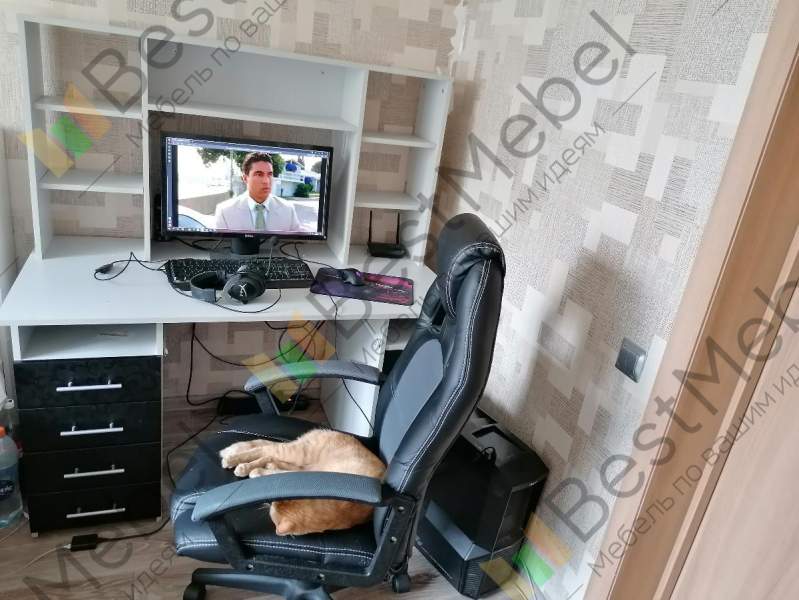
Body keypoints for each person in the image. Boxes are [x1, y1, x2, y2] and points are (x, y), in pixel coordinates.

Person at [214, 152, 301, 232]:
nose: (266, 181)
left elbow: (295, 242)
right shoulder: (225, 211)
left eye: (270, 174)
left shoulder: (288, 210)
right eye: (259, 174)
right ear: (245, 178)